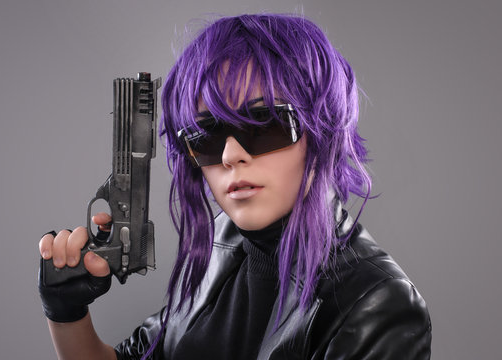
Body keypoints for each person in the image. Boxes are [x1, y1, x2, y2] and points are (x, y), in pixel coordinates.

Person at [38, 13, 432, 359]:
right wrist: (67, 313)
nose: (230, 155)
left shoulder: (377, 303)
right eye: (205, 135)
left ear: (321, 131)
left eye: (263, 125)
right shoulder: (219, 245)